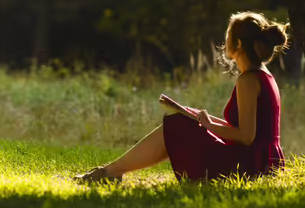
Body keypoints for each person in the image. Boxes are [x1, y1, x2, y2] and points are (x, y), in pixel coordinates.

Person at [74, 11, 287, 183]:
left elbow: (247, 137)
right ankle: (110, 172)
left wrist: (208, 125)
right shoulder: (263, 76)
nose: (224, 40)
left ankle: (108, 173)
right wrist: (205, 120)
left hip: (248, 165)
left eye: (228, 35)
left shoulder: (248, 80)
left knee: (175, 124)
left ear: (238, 44)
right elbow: (254, 133)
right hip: (259, 160)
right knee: (184, 119)